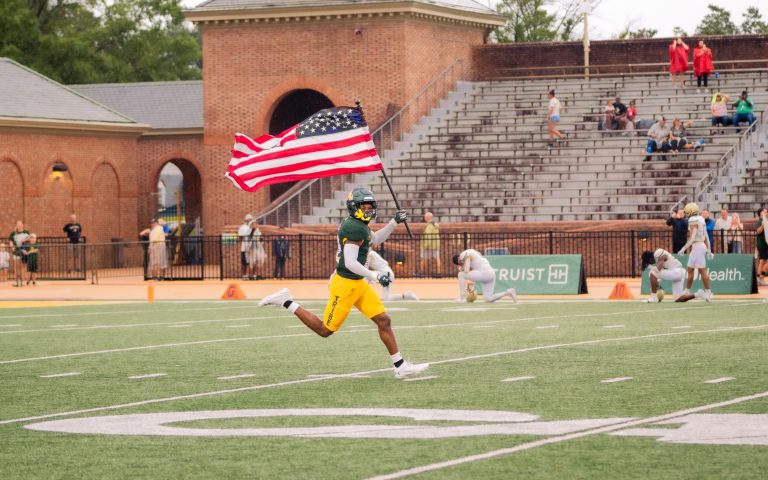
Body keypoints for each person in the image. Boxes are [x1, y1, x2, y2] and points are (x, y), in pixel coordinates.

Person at [258, 188, 429, 379]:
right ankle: (286, 301)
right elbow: (350, 262)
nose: (368, 210)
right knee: (325, 330)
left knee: (383, 320)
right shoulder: (354, 227)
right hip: (346, 284)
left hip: (358, 283)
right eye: (364, 207)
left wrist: (394, 222)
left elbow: (377, 239)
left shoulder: (359, 225)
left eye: (369, 206)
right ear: (354, 207)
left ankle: (400, 365)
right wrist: (375, 275)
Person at [676, 203, 714, 302]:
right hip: (699, 246)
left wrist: (683, 249)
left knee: (702, 271)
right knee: (690, 269)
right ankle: (687, 290)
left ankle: (709, 292)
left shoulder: (693, 220)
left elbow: (692, 238)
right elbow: (705, 235)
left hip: (698, 247)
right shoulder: (701, 219)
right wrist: (709, 249)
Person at [452, 249, 518, 303]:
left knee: (461, 275)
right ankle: (508, 293)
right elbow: (478, 257)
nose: (461, 264)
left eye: (459, 263)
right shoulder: (472, 251)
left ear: (458, 258)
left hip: (484, 273)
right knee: (488, 299)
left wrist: (463, 268)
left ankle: (462, 298)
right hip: (491, 273)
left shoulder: (464, 254)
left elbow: (466, 270)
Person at [8, 220, 30, 287]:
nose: (19, 225)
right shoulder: (13, 233)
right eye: (18, 224)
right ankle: (17, 281)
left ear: (22, 225)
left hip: (24, 251)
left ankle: (23, 281)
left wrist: (24, 240)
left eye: (20, 224)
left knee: (23, 266)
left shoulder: (26, 232)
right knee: (16, 266)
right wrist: (12, 247)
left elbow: (30, 239)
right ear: (16, 225)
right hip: (16, 252)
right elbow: (11, 241)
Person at [419, 212, 441, 276]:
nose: (424, 218)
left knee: (423, 258)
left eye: (425, 217)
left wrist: (426, 245)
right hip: (435, 244)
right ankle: (439, 272)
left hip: (428, 245)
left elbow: (428, 236)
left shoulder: (429, 226)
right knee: (437, 258)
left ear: (427, 218)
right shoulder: (435, 225)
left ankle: (422, 273)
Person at [238, 214, 254, 280]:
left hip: (251, 247)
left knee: (250, 262)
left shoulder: (252, 228)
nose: (249, 221)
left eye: (251, 219)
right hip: (244, 247)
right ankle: (244, 275)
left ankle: (250, 275)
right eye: (249, 219)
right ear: (246, 220)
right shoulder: (243, 227)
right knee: (244, 262)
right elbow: (240, 237)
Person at [756, 207, 768, 286]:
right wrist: (763, 225)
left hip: (765, 244)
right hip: (762, 244)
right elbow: (758, 231)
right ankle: (761, 276)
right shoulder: (760, 221)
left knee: (762, 261)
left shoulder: (766, 221)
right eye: (765, 212)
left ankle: (759, 277)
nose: (766, 213)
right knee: (763, 261)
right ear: (761, 214)